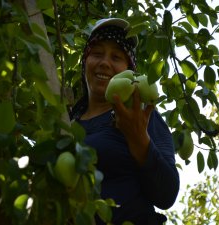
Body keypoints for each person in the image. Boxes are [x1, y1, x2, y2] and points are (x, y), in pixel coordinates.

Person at [70, 18, 180, 225]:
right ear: (85, 61)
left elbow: (167, 194)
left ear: (129, 71)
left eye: (117, 57)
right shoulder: (68, 123)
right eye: (97, 53)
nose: (105, 62)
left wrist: (139, 140)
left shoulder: (140, 116)